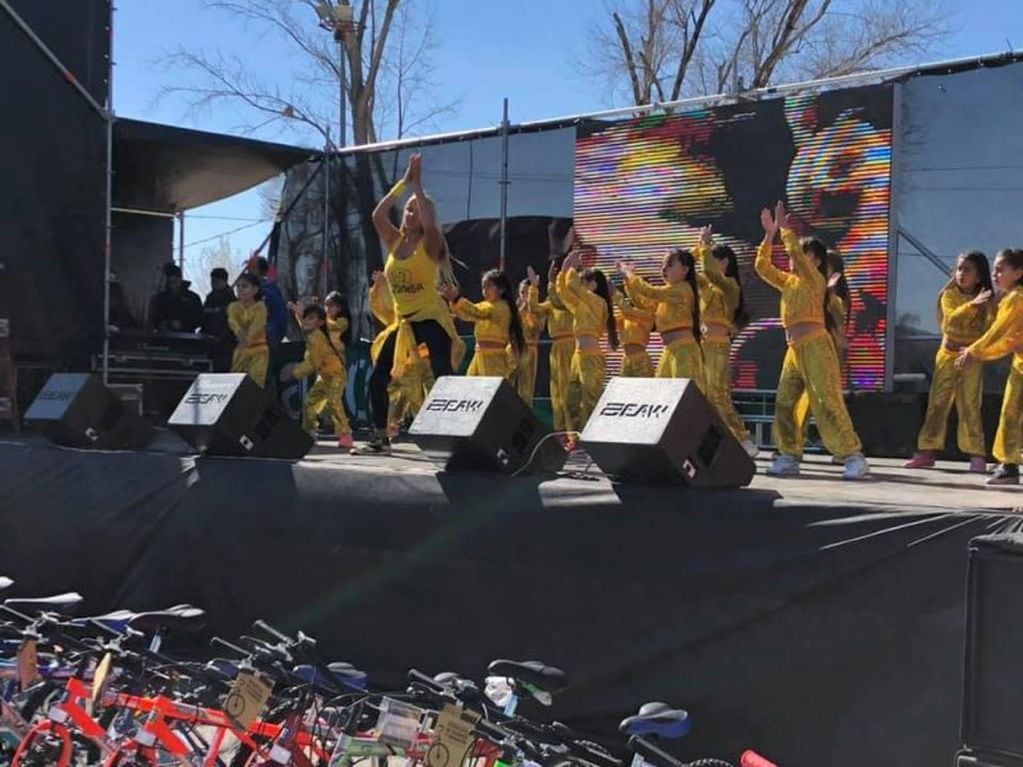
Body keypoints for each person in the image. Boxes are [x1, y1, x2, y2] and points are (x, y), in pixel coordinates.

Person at [355, 154, 464, 455]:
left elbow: (429, 225)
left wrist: (419, 188)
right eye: (407, 209)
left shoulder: (430, 242)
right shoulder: (394, 241)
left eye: (416, 210)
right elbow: (378, 215)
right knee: (379, 376)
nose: (409, 212)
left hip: (430, 317)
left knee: (441, 371)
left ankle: (455, 434)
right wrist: (404, 184)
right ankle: (380, 436)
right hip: (403, 323)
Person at [756, 201, 868, 480]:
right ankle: (789, 455)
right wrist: (770, 236)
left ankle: (853, 456)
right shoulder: (789, 282)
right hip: (794, 350)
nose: (794, 259)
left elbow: (794, 251)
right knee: (784, 402)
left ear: (815, 260)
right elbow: (761, 266)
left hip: (817, 345)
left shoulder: (815, 281)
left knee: (826, 400)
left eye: (803, 255)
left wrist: (785, 231)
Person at [904, 251, 994, 473]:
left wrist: (977, 349)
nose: (961, 273)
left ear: (979, 276)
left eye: (967, 269)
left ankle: (976, 454)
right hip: (947, 355)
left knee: (970, 406)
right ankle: (926, 451)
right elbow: (949, 324)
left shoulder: (988, 300)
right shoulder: (948, 295)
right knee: (938, 403)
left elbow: (991, 329)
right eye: (959, 269)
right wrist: (972, 305)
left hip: (971, 358)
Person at [956, 248, 1023, 485]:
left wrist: (975, 351)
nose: (994, 274)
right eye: (994, 269)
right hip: (1020, 365)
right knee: (1011, 414)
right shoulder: (1012, 297)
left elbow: (999, 333)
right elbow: (1007, 339)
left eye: (1000, 269)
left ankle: (1010, 464)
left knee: (1012, 414)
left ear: (1017, 272)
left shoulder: (1017, 298)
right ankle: (1010, 464)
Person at [695, 226, 757, 456]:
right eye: (712, 259)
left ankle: (742, 438)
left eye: (718, 259)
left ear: (727, 263)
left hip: (719, 345)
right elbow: (690, 270)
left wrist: (705, 246)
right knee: (702, 394)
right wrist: (699, 245)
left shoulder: (730, 286)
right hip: (701, 345)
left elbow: (709, 272)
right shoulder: (705, 285)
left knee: (718, 393)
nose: (713, 263)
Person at [792, 248, 852, 458]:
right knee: (809, 398)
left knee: (823, 399)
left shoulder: (835, 294)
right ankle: (796, 444)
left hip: (826, 350)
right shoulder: (819, 289)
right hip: (816, 348)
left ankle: (842, 449)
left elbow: (837, 326)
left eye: (821, 264)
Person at [617, 249, 704, 387]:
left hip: (683, 351)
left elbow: (650, 292)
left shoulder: (682, 289)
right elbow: (644, 304)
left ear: (685, 270)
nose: (664, 268)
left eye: (669, 264)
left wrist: (630, 274)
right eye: (662, 264)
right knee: (662, 392)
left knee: (682, 393)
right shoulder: (668, 294)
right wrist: (628, 281)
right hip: (670, 350)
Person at [558, 249, 619, 442]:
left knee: (591, 399)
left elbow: (572, 286)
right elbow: (564, 293)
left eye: (585, 282)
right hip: (578, 356)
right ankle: (576, 440)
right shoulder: (584, 303)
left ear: (594, 284)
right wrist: (564, 269)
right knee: (571, 401)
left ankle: (596, 440)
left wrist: (571, 267)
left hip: (591, 357)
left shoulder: (598, 302)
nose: (582, 286)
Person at [290, 304, 353, 450]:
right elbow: (307, 327)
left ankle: (346, 434)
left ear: (320, 322)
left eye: (311, 318)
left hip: (336, 375)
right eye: (306, 317)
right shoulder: (314, 334)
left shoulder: (317, 337)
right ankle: (310, 432)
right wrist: (299, 315)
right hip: (325, 377)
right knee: (309, 402)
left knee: (333, 401)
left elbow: (313, 363)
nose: (306, 320)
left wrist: (295, 372)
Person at [442, 269, 524, 378]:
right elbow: (467, 314)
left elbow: (476, 312)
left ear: (502, 289)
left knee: (491, 390)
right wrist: (453, 300)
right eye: (483, 287)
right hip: (479, 355)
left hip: (494, 358)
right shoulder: (485, 305)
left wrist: (456, 298)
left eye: (489, 286)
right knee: (470, 389)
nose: (485, 290)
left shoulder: (501, 307)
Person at [529, 260, 575, 437]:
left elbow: (558, 300)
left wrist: (551, 281)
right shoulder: (551, 302)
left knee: (570, 390)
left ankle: (574, 432)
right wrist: (534, 287)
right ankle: (560, 431)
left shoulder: (569, 300)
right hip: (556, 348)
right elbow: (534, 308)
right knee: (557, 390)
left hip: (570, 345)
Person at [512, 269, 547, 406]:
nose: (525, 296)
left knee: (526, 390)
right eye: (522, 293)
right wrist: (521, 310)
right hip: (513, 348)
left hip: (530, 349)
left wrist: (530, 308)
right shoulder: (514, 309)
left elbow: (537, 328)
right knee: (506, 382)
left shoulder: (539, 310)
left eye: (527, 292)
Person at [228, 273, 269, 387]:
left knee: (254, 386)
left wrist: (244, 337)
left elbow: (256, 328)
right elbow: (233, 323)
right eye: (238, 286)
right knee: (234, 385)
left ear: (255, 289)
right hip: (240, 350)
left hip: (258, 351)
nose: (240, 290)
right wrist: (239, 332)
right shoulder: (233, 306)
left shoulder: (261, 308)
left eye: (245, 286)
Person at [149, 262, 203, 334]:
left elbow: (199, 319)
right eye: (169, 280)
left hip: (186, 339)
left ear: (180, 278)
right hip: (164, 338)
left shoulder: (193, 298)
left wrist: (183, 324)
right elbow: (153, 318)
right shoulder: (159, 298)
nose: (172, 284)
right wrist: (164, 323)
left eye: (174, 280)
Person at [614, 285, 655, 377]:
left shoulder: (647, 315)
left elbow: (628, 310)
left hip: (641, 360)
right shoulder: (625, 316)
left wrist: (615, 294)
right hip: (626, 359)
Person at [202, 267, 237, 372]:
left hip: (226, 346)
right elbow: (204, 319)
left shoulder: (231, 300)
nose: (213, 284)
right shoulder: (210, 298)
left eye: (216, 281)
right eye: (212, 281)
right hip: (210, 344)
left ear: (224, 281)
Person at [248, 256, 288, 347]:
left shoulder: (270, 290)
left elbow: (279, 315)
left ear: (262, 271)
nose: (250, 271)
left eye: (254, 268)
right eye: (249, 268)